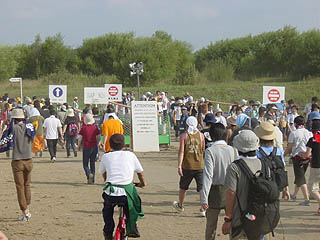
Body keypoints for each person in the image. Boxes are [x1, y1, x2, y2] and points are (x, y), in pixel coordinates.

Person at [99, 134, 146, 240]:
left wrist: (108, 180)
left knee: (107, 211)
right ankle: (132, 227)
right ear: (124, 144)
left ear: (110, 145)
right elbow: (140, 173)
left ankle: (107, 232)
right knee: (134, 204)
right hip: (126, 193)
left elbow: (103, 173)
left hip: (111, 192)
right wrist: (142, 183)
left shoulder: (106, 156)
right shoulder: (130, 155)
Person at [222, 130, 261, 239]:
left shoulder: (234, 167)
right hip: (260, 219)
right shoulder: (263, 164)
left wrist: (228, 219)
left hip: (240, 220)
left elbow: (231, 193)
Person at [201, 123, 237, 240]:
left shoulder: (210, 151)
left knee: (211, 226)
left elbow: (208, 175)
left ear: (211, 137)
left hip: (214, 191)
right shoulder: (233, 150)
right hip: (231, 190)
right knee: (232, 224)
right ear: (225, 136)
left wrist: (204, 198)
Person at [172, 116, 206, 216]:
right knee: (201, 188)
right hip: (199, 165)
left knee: (183, 187)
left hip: (187, 165)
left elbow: (181, 151)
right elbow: (203, 150)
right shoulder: (201, 135)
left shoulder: (184, 136)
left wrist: (179, 165)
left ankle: (180, 205)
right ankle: (202, 208)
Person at [10, 108, 35, 221]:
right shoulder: (29, 127)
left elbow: (6, 140)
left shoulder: (13, 129)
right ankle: (27, 209)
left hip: (17, 160)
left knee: (20, 187)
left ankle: (25, 211)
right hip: (29, 159)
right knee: (27, 185)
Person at [255, 121, 290, 200]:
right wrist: (286, 189)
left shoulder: (257, 152)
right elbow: (283, 169)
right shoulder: (278, 151)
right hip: (276, 184)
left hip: (262, 184)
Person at [284, 116, 312, 205]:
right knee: (300, 176)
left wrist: (283, 155)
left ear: (295, 124)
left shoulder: (294, 133)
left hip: (298, 157)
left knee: (301, 178)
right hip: (307, 157)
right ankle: (294, 195)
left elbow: (289, 147)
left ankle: (306, 199)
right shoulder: (309, 133)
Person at [300, 111, 320, 215]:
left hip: (316, 166)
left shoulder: (312, 139)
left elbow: (307, 154)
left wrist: (301, 154)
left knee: (312, 188)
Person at [78, 114, 100, 184]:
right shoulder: (95, 127)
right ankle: (92, 179)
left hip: (86, 147)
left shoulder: (83, 128)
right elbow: (98, 137)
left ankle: (88, 173)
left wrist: (79, 145)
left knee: (85, 164)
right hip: (94, 147)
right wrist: (97, 142)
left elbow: (80, 138)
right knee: (92, 163)